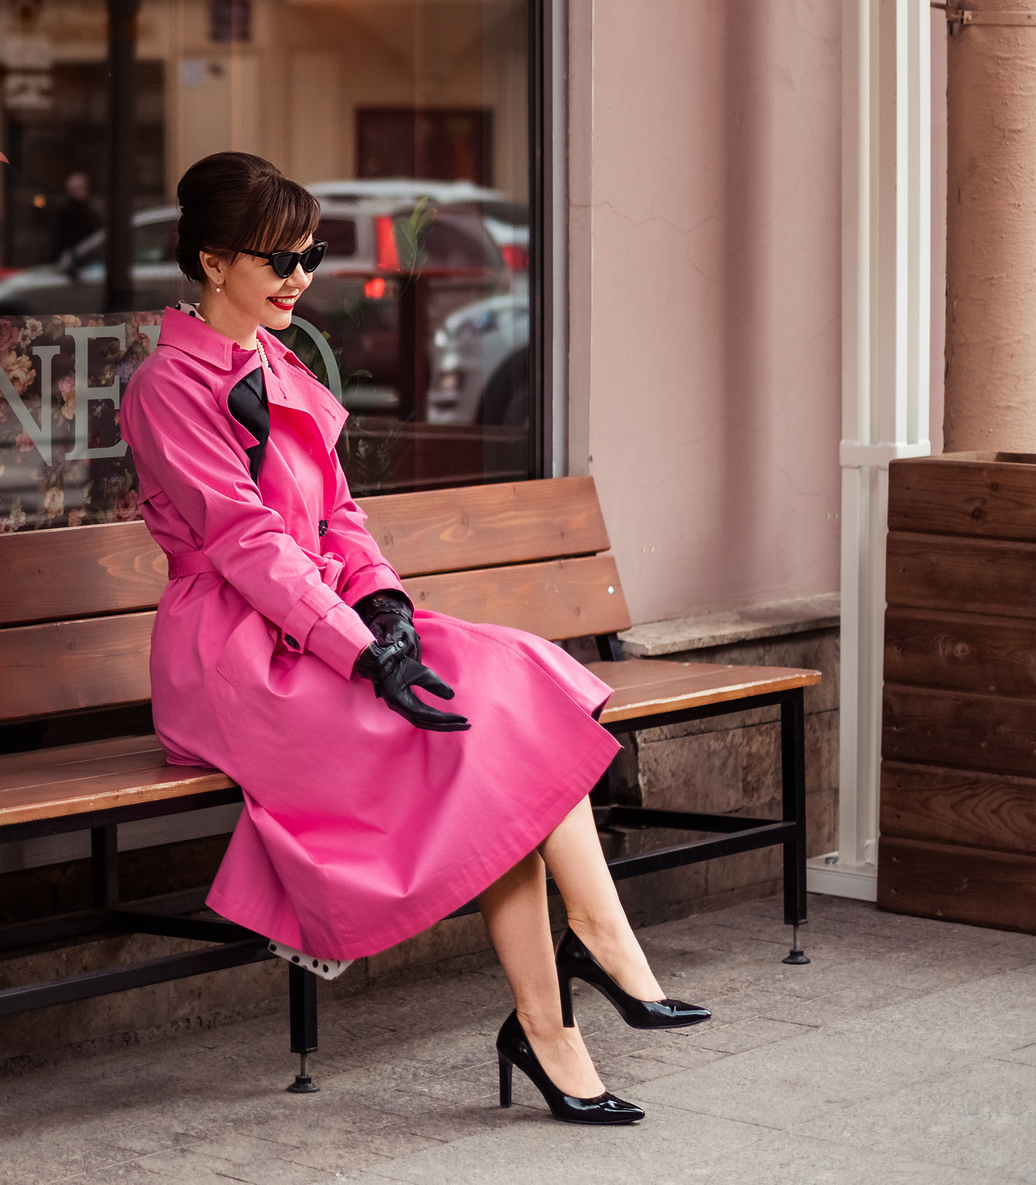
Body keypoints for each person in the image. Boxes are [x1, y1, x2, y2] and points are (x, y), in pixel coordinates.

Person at [117, 151, 708, 1127]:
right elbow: (245, 542)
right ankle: (576, 988)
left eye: (307, 252)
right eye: (276, 256)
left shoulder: (280, 359)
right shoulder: (168, 384)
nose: (299, 274)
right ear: (213, 260)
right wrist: (359, 650)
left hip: (320, 623)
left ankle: (579, 976)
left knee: (508, 686)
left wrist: (384, 610)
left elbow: (337, 516)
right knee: (482, 739)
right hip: (233, 654)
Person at [50, 170, 101, 261]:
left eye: (84, 187)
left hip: (84, 254)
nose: (83, 191)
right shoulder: (67, 210)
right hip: (73, 256)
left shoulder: (87, 208)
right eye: (78, 188)